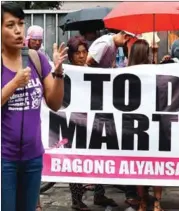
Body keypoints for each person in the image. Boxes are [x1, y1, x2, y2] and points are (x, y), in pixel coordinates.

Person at [1, 2, 67, 211]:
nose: (18, 30)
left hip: (32, 158)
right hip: (4, 160)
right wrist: (14, 84)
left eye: (21, 23)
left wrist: (58, 73)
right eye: (10, 25)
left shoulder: (36, 58)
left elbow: (55, 103)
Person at [65, 35, 117, 210]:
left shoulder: (92, 70)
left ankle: (99, 195)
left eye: (84, 52)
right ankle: (77, 200)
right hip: (75, 121)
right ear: (71, 55)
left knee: (99, 155)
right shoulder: (67, 72)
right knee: (75, 158)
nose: (81, 56)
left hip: (94, 119)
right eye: (77, 53)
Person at [126, 39, 164, 211]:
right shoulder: (153, 72)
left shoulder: (125, 74)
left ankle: (142, 202)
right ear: (145, 54)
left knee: (139, 166)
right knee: (156, 165)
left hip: (135, 127)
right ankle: (156, 203)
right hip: (154, 126)